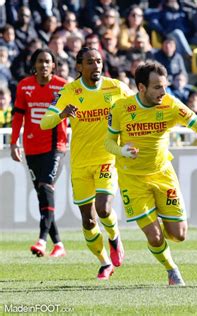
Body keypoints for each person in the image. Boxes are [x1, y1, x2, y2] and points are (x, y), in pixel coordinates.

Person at [104, 61, 197, 286]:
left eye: (165, 86)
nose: (163, 92)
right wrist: (121, 150)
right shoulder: (121, 108)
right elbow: (108, 142)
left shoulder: (170, 105)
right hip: (132, 179)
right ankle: (171, 269)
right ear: (141, 88)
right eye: (157, 87)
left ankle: (157, 226)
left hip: (162, 174)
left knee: (179, 235)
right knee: (154, 236)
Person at [40, 47, 132, 280]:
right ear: (79, 67)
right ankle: (104, 262)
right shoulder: (69, 91)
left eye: (99, 61)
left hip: (106, 158)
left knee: (103, 208)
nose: (96, 66)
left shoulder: (116, 87)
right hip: (80, 163)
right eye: (90, 62)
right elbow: (44, 123)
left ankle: (114, 237)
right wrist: (62, 115)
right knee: (88, 219)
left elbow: (137, 107)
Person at [10, 48, 67, 257]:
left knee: (45, 186)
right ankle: (59, 244)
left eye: (48, 61)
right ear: (34, 64)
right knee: (42, 195)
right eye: (40, 61)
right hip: (32, 148)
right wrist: (14, 142)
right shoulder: (24, 86)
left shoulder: (62, 86)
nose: (44, 65)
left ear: (54, 65)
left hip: (55, 147)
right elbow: (18, 117)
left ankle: (42, 240)